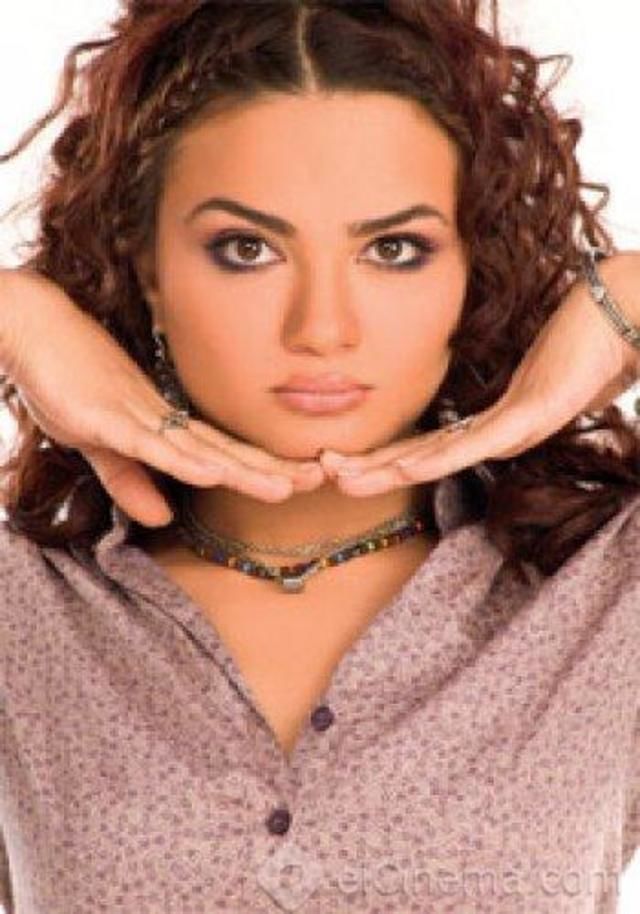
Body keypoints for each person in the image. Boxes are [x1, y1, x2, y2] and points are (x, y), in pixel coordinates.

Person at [1, 0, 640, 911]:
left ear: (471, 269)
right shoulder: (28, 611)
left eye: (395, 249)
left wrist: (623, 299)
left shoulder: (601, 596)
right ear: (148, 269)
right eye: (246, 249)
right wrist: (17, 317)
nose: (323, 328)